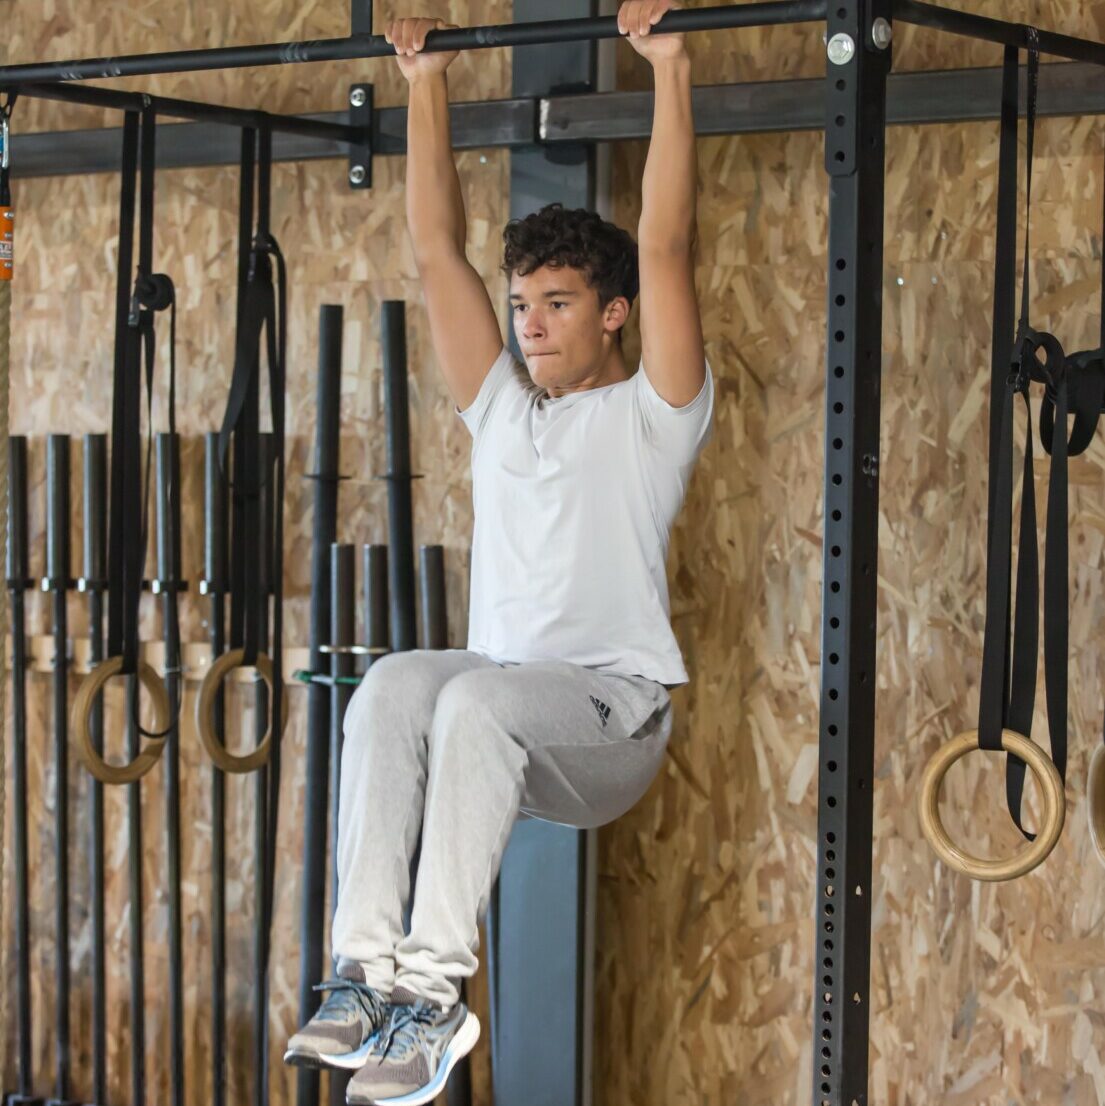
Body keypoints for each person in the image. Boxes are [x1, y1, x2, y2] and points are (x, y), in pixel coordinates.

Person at [283, 2, 713, 1102]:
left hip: (612, 718)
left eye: (557, 304)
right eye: (523, 304)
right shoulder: (504, 412)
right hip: (513, 706)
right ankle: (363, 974)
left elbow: (664, 241)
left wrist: (667, 66)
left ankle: (433, 996)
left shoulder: (655, 413)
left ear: (614, 314)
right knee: (389, 685)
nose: (528, 324)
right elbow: (437, 251)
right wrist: (422, 77)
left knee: (474, 704)